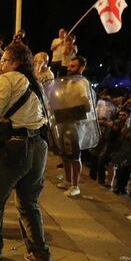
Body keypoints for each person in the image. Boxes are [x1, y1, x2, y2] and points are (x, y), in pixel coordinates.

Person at [0, 43, 53, 261]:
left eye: (5, 60)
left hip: (16, 148)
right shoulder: (33, 82)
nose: (1, 64)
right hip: (39, 146)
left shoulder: (8, 79)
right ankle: (40, 253)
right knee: (28, 202)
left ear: (15, 62)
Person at [56, 56, 89, 197]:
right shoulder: (69, 82)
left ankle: (76, 186)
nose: (69, 69)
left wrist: (76, 108)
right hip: (64, 120)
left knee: (75, 155)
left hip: (76, 122)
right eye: (69, 66)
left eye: (73, 66)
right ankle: (68, 181)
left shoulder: (82, 83)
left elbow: (86, 104)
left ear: (81, 68)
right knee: (65, 153)